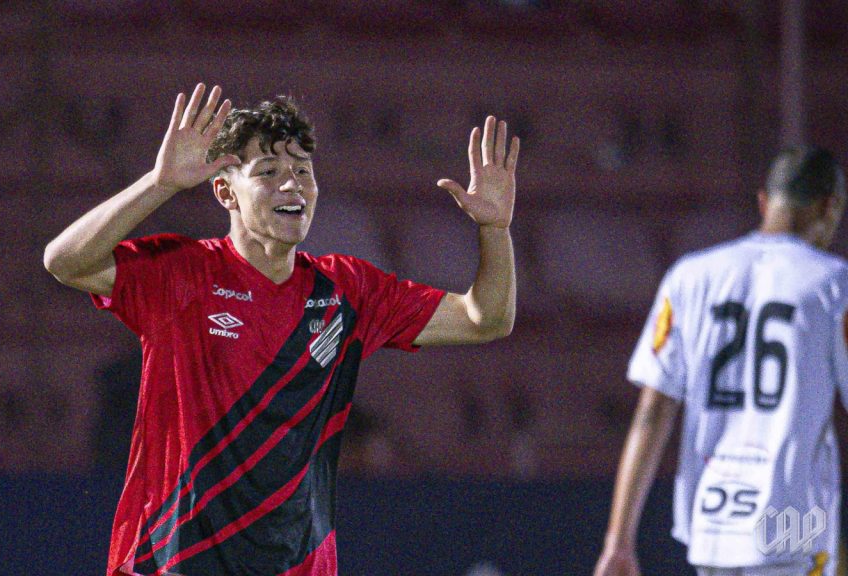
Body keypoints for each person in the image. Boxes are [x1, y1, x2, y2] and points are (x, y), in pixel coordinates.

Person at [43, 83, 520, 576]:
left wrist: (495, 230)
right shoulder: (183, 274)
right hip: (174, 563)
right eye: (268, 172)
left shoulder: (347, 290)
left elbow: (486, 319)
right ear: (225, 191)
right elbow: (64, 262)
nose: (292, 186)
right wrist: (160, 183)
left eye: (302, 172)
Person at [594, 147, 848, 576]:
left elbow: (652, 412)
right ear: (830, 206)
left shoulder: (690, 277)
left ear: (764, 202)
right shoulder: (834, 284)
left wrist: (618, 540)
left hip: (711, 522)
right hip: (792, 524)